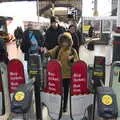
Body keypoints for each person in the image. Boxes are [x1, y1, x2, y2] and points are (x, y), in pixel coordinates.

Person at [45, 32, 79, 112]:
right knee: (59, 90)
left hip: (68, 75)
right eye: (63, 41)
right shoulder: (58, 48)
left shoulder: (73, 51)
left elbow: (77, 63)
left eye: (66, 42)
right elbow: (51, 52)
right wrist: (46, 53)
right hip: (58, 74)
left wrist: (72, 60)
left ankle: (65, 106)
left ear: (69, 42)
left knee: (66, 91)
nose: (64, 43)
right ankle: (59, 103)